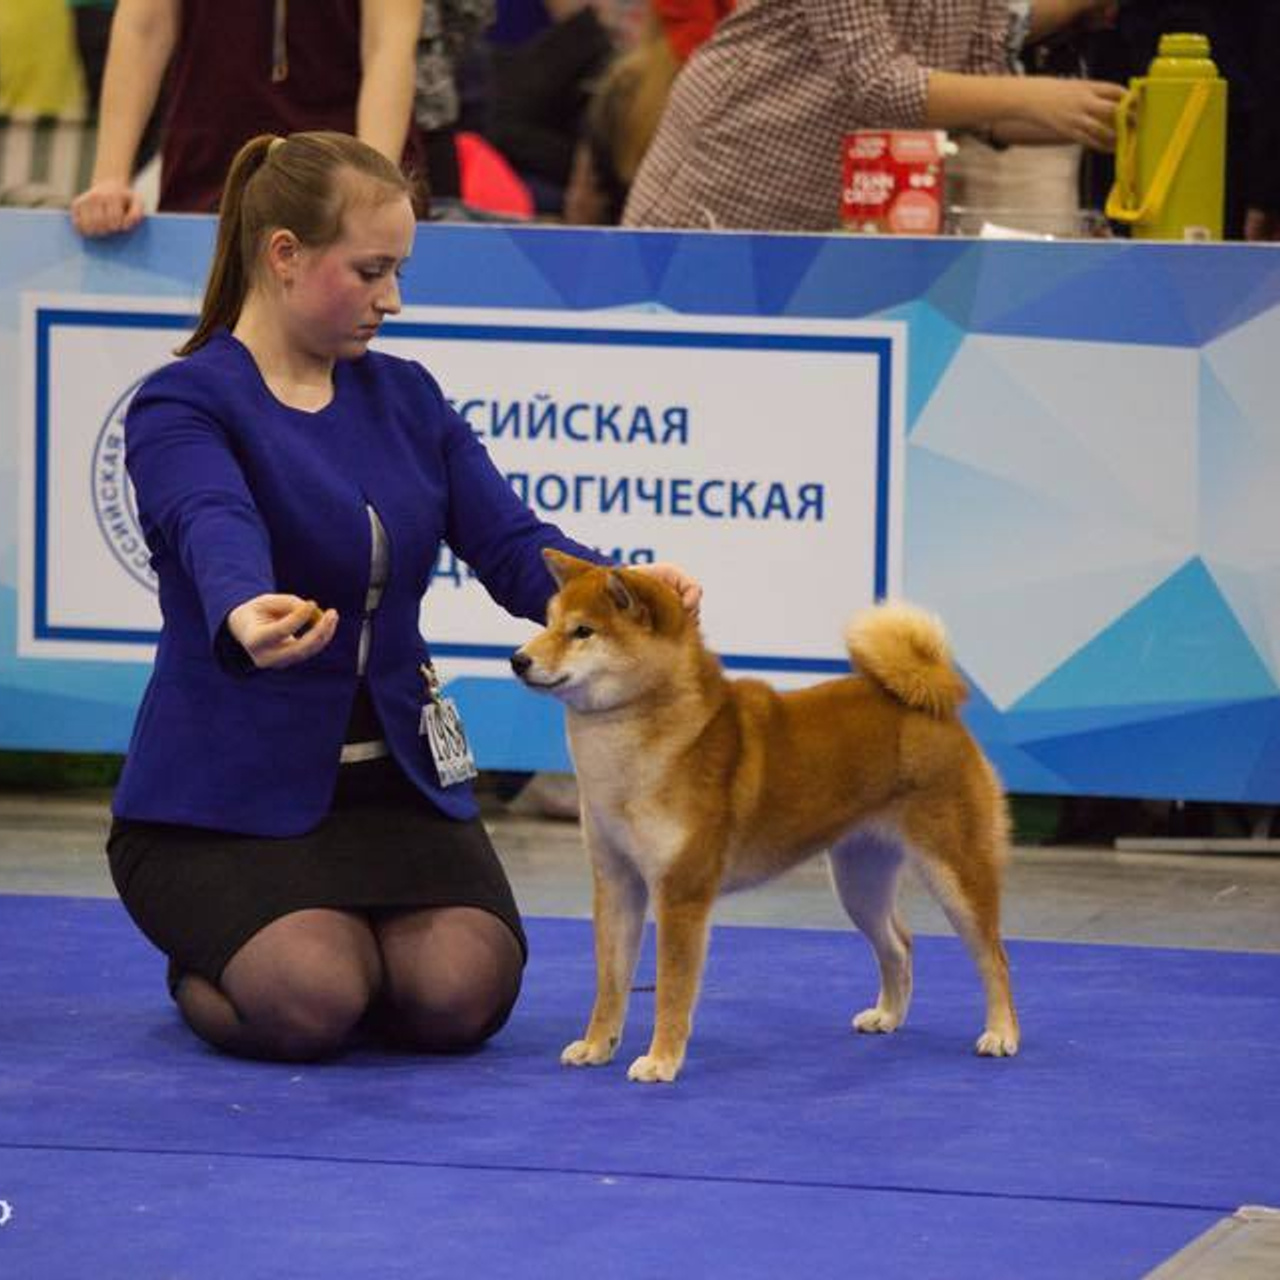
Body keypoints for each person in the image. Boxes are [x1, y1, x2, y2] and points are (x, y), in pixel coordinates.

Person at [105, 130, 702, 1063]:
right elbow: (208, 518)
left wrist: (624, 587)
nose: (393, 299)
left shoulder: (409, 397)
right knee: (312, 1000)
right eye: (372, 269)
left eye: (399, 271)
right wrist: (242, 606)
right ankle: (205, 964)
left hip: (397, 782)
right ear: (285, 256)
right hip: (220, 803)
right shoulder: (184, 402)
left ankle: (341, 944)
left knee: (461, 999)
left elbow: (511, 545)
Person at [623, 0, 1128, 231]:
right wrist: (1033, 99)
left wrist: (1094, 118)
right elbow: (879, 83)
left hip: (828, 224)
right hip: (721, 191)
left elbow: (976, 83)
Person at [70, 0, 424, 236]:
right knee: (212, 340)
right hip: (210, 172)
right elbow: (142, 28)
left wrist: (373, 187)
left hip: (341, 177)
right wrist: (110, 178)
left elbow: (388, 46)